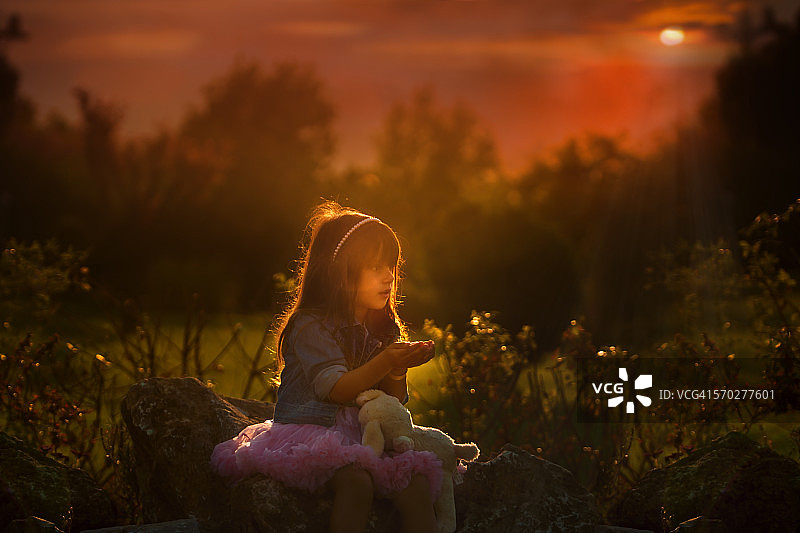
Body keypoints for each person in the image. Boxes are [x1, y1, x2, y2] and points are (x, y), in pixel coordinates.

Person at [211, 201, 440, 533]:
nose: (388, 276)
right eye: (375, 266)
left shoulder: (384, 328)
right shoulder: (311, 326)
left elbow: (393, 401)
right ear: (341, 274)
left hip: (366, 434)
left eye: (391, 266)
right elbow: (334, 389)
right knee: (356, 483)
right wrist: (386, 359)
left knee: (416, 486)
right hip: (314, 432)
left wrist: (397, 369)